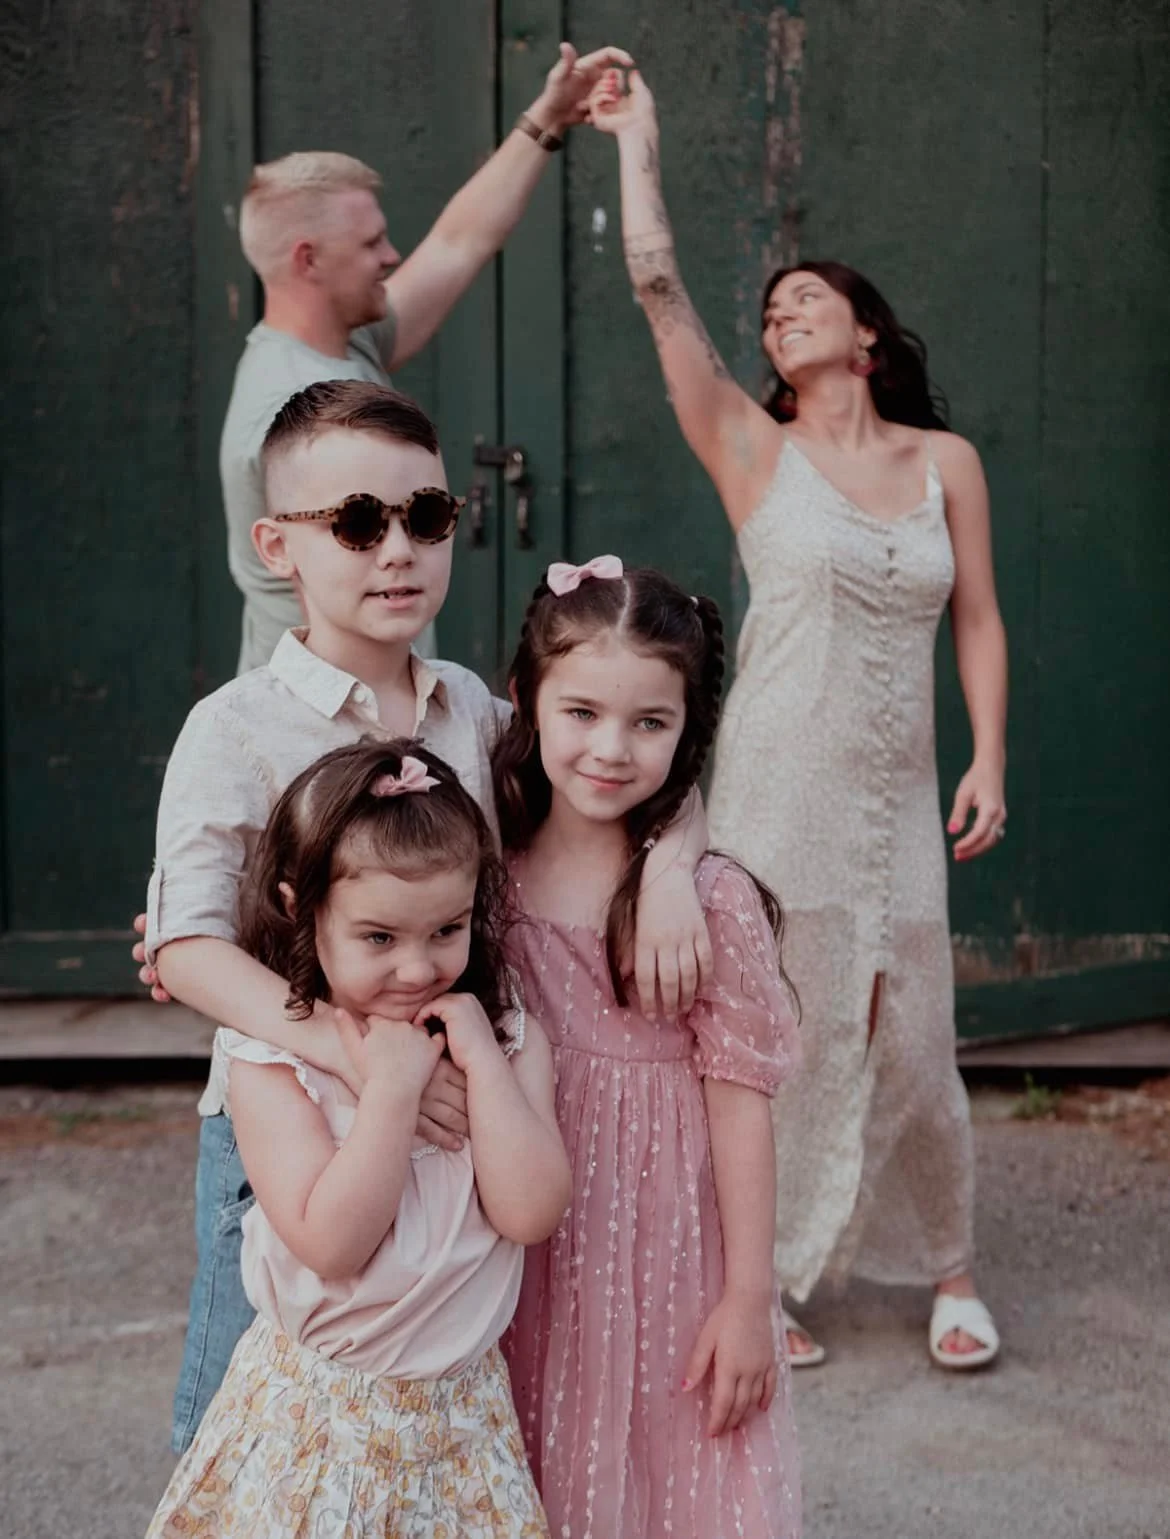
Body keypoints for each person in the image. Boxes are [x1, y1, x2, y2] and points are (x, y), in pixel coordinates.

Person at [139, 379, 712, 1455]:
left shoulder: (478, 711)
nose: (397, 548)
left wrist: (674, 864)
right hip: (297, 1133)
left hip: (459, 1129)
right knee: (251, 1432)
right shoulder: (237, 727)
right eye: (357, 522)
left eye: (427, 516)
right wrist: (357, 1057)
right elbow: (184, 942)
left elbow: (628, 777)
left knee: (422, 1435)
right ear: (278, 545)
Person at [589, 70, 1008, 1371]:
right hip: (775, 783)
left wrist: (990, 752)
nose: (781, 318)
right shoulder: (747, 449)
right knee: (777, 1029)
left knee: (914, 1030)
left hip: (896, 797)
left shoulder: (945, 465)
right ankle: (758, 1273)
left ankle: (951, 1265)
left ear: (865, 336)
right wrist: (635, 141)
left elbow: (977, 620)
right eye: (770, 312)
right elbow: (658, 290)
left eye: (805, 300)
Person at [145, 737, 571, 1538]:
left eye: (447, 930)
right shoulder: (272, 1059)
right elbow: (332, 1242)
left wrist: (481, 1059)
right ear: (300, 910)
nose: (419, 967)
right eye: (379, 938)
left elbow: (531, 1211)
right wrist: (392, 1090)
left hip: (460, 1430)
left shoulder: (510, 1042)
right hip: (317, 1425)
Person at [493, 557, 803, 1539]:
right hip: (523, 1245)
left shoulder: (708, 901)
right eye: (580, 712)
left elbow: (741, 1101)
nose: (610, 750)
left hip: (672, 1251)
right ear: (525, 700)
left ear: (687, 732)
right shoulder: (484, 873)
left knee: (675, 1467)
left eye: (650, 723)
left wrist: (751, 1296)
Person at [224, 41, 631, 672]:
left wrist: (546, 120)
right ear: (309, 260)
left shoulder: (346, 341)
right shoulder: (287, 410)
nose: (392, 256)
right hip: (334, 736)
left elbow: (458, 242)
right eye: (371, 242)